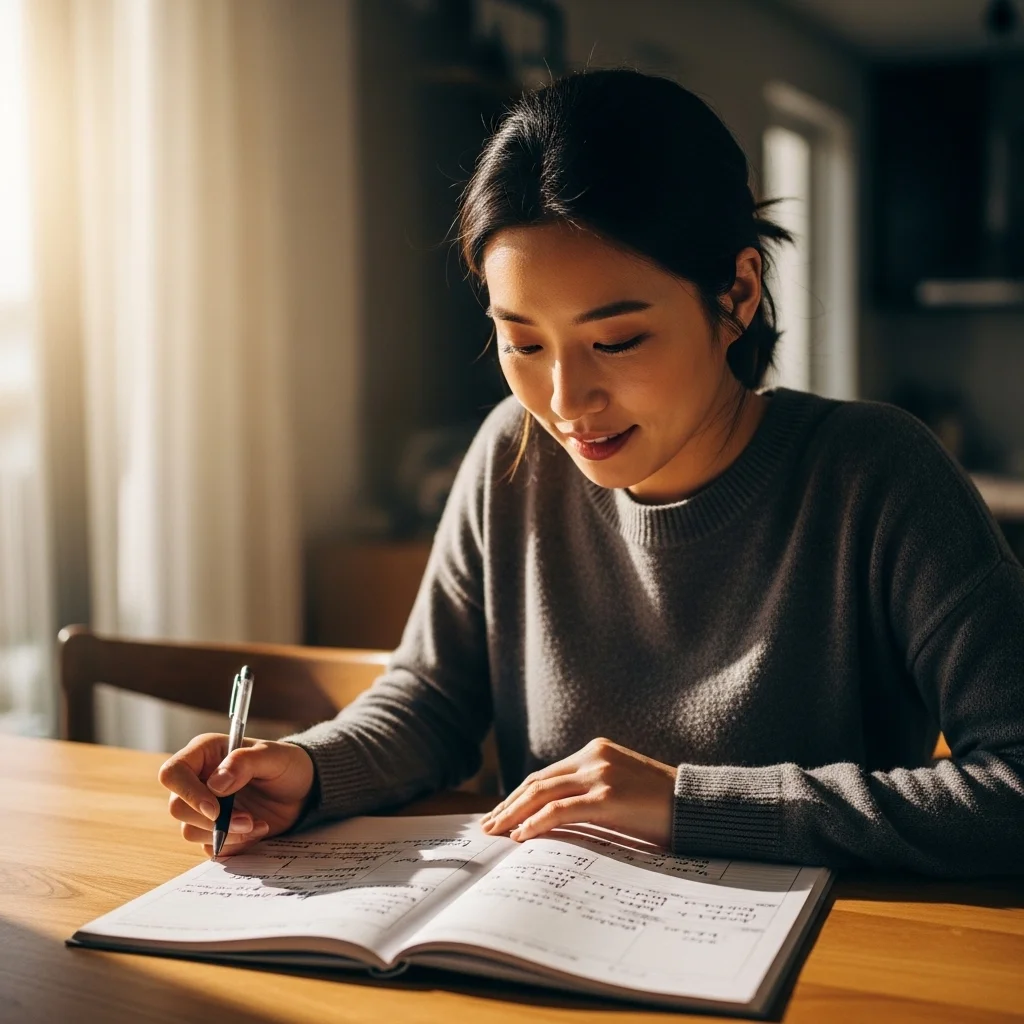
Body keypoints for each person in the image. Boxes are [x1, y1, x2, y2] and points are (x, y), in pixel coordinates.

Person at [159, 68, 1024, 876]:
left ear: (738, 294)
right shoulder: (512, 455)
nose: (567, 400)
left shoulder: (876, 475)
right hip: (544, 936)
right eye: (522, 343)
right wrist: (310, 769)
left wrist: (689, 805)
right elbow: (431, 700)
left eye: (617, 340)